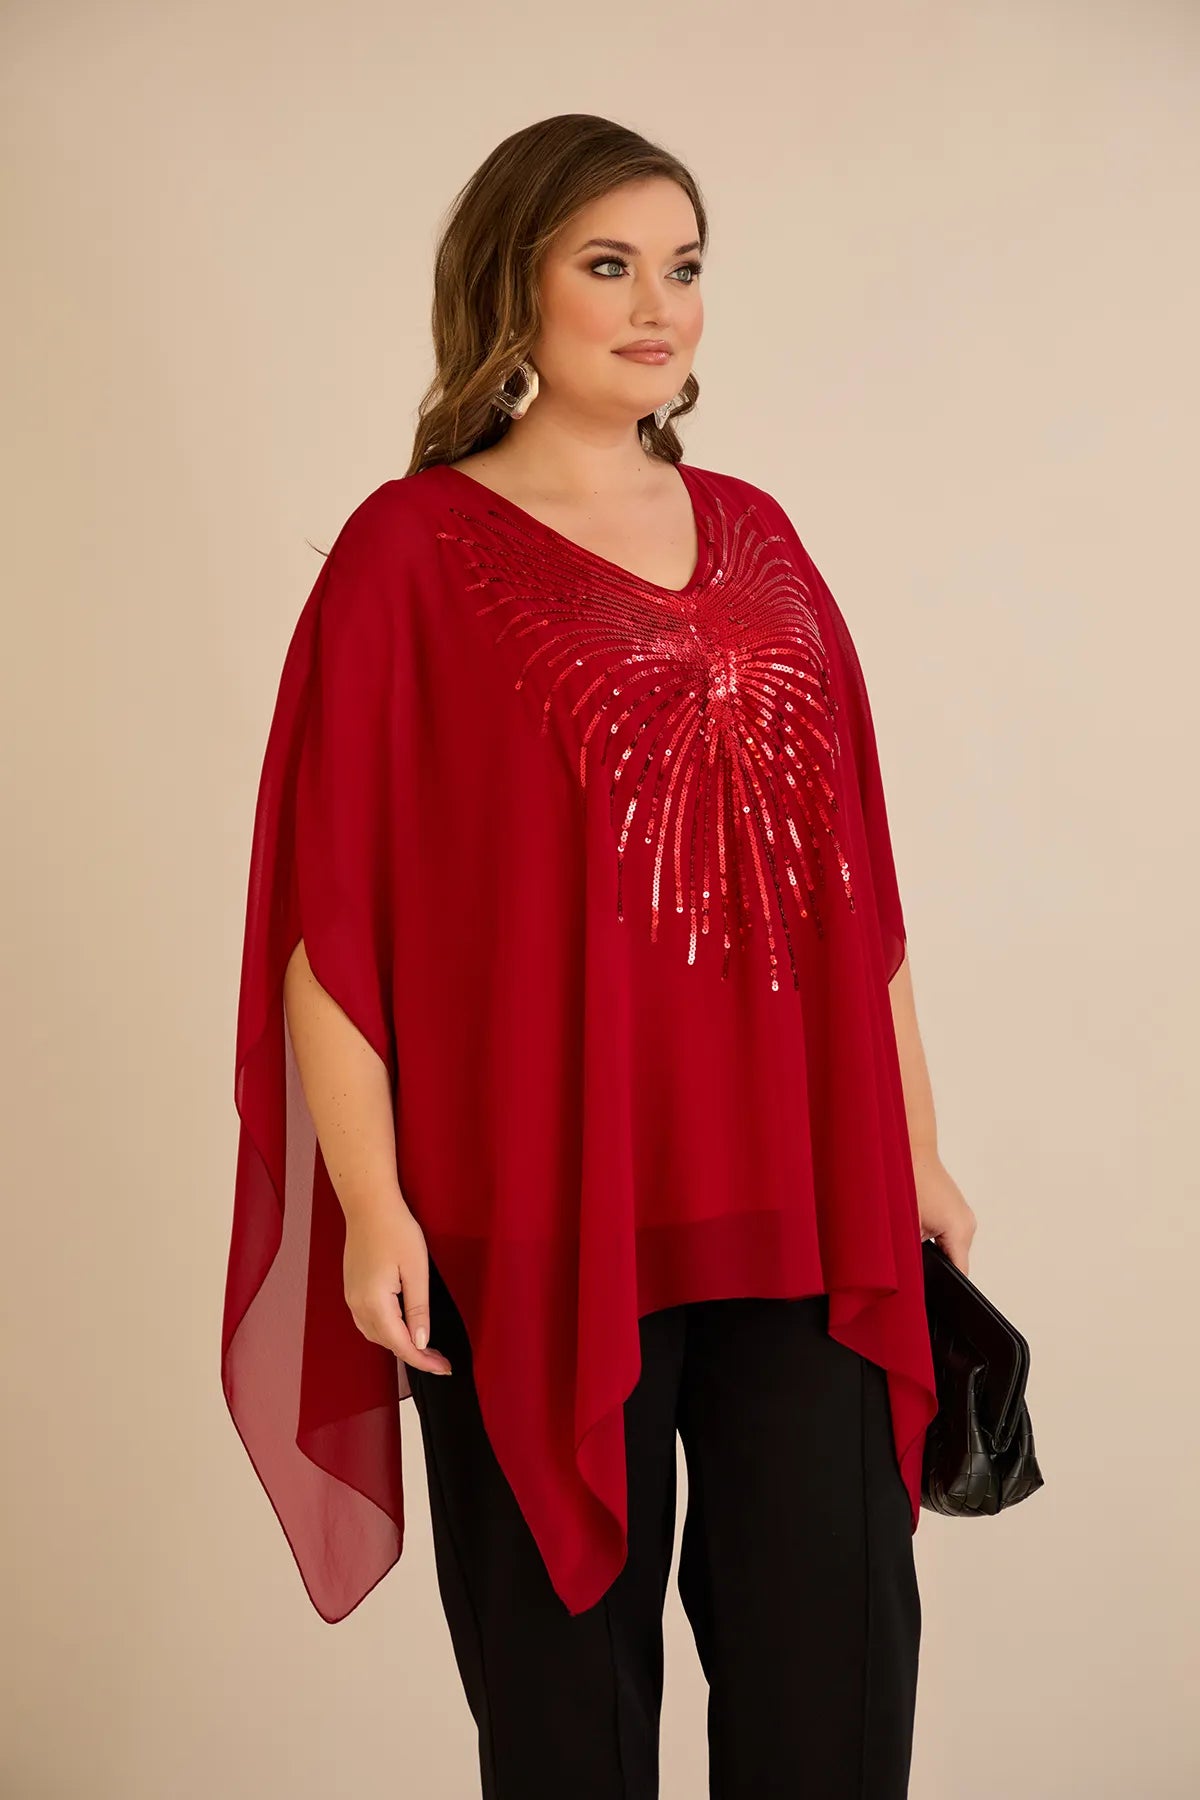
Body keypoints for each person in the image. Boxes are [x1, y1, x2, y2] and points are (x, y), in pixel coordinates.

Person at [222, 112, 978, 1799]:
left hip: (802, 1201)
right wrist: (373, 1203)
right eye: (611, 263)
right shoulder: (408, 552)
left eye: (684, 267)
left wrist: (913, 1150)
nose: (659, 307)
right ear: (517, 286)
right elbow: (332, 920)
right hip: (530, 1216)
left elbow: (855, 879)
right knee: (566, 1722)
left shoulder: (762, 531)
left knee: (835, 1685)